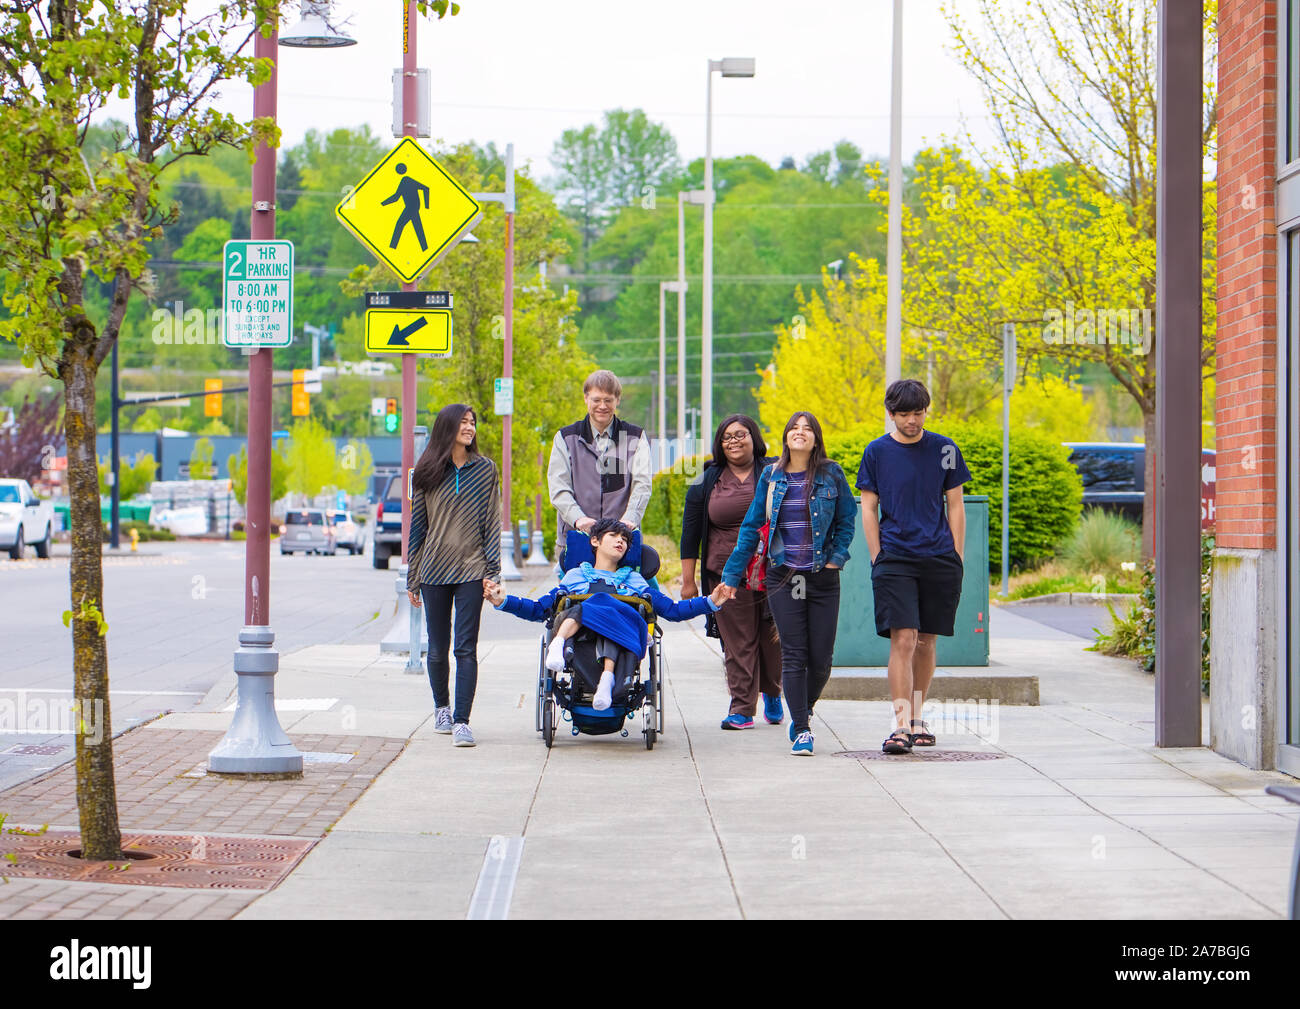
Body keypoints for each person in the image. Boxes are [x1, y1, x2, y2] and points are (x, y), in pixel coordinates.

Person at [719, 412, 856, 756]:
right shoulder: (771, 475)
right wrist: (731, 577)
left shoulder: (831, 473)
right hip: (784, 576)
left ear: (816, 439)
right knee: (794, 654)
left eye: (807, 428)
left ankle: (801, 709)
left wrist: (835, 558)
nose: (800, 432)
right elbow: (751, 527)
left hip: (822, 576)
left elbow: (846, 520)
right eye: (795, 427)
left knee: (822, 659)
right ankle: (803, 729)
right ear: (785, 437)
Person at [486, 519, 727, 710]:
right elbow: (539, 609)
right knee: (592, 604)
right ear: (595, 541)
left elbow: (672, 611)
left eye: (625, 539)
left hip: (622, 635)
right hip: (581, 638)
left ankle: (598, 673)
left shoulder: (634, 579)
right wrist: (502, 601)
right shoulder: (575, 576)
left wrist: (711, 602)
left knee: (603, 601)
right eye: (613, 536)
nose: (620, 541)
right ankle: (577, 656)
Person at [858, 379, 971, 754]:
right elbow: (868, 508)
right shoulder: (877, 452)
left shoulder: (944, 449)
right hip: (895, 558)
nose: (911, 420)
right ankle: (901, 725)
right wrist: (877, 555)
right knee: (903, 638)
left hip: (939, 557)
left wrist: (956, 554)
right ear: (891, 414)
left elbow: (955, 504)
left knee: (926, 640)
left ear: (927, 410)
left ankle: (919, 719)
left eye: (917, 412)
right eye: (903, 413)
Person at [680, 414, 784, 730]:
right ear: (719, 444)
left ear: (754, 438)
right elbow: (690, 530)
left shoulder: (775, 471)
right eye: (727, 437)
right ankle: (742, 707)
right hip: (725, 575)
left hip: (772, 571)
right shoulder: (707, 479)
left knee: (773, 640)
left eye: (740, 435)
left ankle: (773, 691)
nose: (734, 441)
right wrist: (688, 580)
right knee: (738, 642)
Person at [406, 404, 501, 748]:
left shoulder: (486, 470)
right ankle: (441, 708)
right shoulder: (427, 472)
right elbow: (417, 527)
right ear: (447, 427)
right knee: (437, 647)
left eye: (473, 422)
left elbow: (492, 522)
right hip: (433, 569)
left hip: (472, 570)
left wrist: (493, 571)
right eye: (463, 422)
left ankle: (462, 721)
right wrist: (412, 576)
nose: (470, 428)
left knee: (466, 648)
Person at [547, 370, 652, 552]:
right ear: (586, 398)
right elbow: (558, 487)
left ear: (617, 400)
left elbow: (642, 484)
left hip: (621, 542)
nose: (602, 406)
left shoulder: (636, 437)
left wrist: (629, 520)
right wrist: (579, 519)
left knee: (638, 580)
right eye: (596, 400)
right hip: (576, 539)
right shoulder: (565, 438)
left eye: (608, 400)